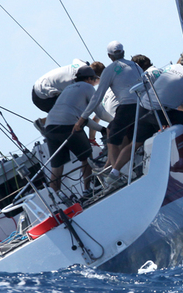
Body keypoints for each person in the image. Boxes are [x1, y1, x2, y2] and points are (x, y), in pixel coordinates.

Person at [75, 41, 146, 188]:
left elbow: (97, 96)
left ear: (109, 56)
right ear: (123, 52)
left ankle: (115, 174)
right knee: (129, 138)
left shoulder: (111, 69)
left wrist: (82, 119)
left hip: (127, 107)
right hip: (142, 107)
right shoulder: (136, 66)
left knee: (111, 137)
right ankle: (111, 169)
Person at [137, 46, 183, 173]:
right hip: (160, 113)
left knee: (135, 143)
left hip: (144, 109)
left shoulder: (170, 68)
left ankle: (114, 171)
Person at [45, 65, 111, 196]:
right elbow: (101, 113)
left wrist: (101, 129)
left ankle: (56, 200)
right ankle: (87, 190)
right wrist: (115, 122)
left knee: (57, 168)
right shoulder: (88, 88)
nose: (95, 82)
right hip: (68, 126)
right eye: (94, 79)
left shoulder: (68, 89)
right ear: (89, 79)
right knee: (87, 157)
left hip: (50, 127)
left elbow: (83, 118)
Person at [31, 59, 102, 131]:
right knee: (73, 114)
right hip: (43, 96)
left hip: (39, 86)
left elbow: (76, 59)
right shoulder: (78, 83)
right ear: (95, 78)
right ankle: (42, 123)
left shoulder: (82, 65)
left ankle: (46, 125)